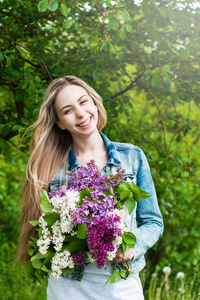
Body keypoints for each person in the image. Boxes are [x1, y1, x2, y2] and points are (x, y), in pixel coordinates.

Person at [18, 76, 164, 300]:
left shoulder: (132, 157)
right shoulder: (50, 167)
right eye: (67, 110)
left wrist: (133, 246)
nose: (80, 113)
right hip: (69, 288)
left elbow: (153, 222)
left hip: (122, 286)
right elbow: (41, 233)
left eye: (83, 102)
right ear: (60, 123)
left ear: (95, 103)